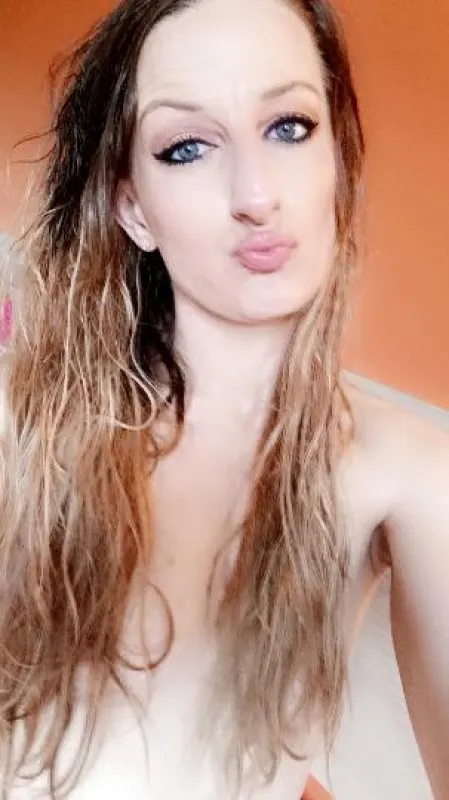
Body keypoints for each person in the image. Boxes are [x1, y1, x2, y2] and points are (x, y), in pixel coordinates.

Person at [0, 0, 448, 797]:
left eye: (288, 127)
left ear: (338, 157)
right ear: (133, 208)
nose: (255, 193)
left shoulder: (407, 470)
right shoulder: (25, 422)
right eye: (187, 147)